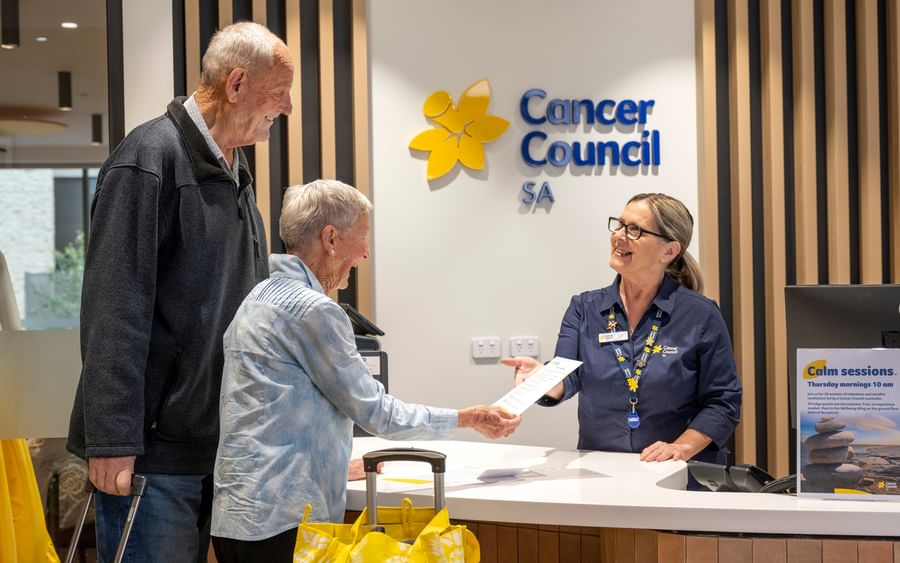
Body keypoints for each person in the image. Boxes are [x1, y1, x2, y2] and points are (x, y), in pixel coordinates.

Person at [65, 22, 293, 562]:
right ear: (236, 84)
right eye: (278, 92)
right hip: (152, 453)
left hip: (218, 444)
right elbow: (114, 308)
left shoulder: (234, 169)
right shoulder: (148, 159)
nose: (286, 108)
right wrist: (113, 440)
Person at [210, 179, 521, 563]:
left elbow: (271, 411)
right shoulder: (314, 311)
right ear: (330, 239)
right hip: (284, 524)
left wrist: (333, 461)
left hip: (238, 516)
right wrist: (468, 418)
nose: (366, 252)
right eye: (362, 236)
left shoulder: (257, 298)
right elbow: (378, 414)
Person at [502, 193, 741, 478]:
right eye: (619, 224)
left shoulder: (700, 315)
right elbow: (567, 375)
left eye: (635, 230)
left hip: (680, 476)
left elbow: (723, 401)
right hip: (602, 473)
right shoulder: (584, 308)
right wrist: (540, 379)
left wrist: (680, 449)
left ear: (669, 251)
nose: (619, 236)